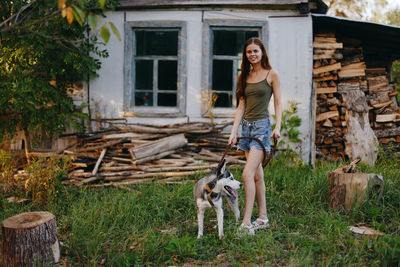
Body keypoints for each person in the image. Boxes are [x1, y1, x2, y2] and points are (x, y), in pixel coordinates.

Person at [228, 37, 282, 235]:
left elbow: (278, 103)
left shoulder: (271, 74)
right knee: (257, 175)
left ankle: (246, 223)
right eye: (249, 51)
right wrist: (234, 132)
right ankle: (263, 217)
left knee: (247, 174)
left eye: (256, 51)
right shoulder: (244, 77)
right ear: (246, 54)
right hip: (246, 130)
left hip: (261, 129)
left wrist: (278, 127)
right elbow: (241, 106)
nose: (252, 54)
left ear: (262, 53)